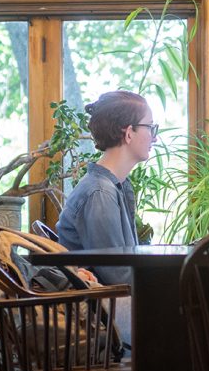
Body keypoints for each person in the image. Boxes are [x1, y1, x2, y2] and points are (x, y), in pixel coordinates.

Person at [56, 91, 157, 347]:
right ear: (129, 132)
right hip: (102, 314)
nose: (154, 136)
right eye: (150, 127)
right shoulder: (100, 192)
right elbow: (118, 276)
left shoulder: (115, 186)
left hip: (112, 305)